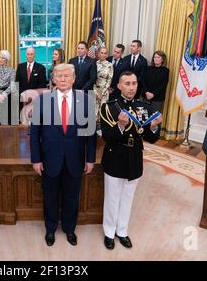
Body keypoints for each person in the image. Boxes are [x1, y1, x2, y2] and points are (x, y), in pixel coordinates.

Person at [30, 63, 96, 247]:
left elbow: (90, 133)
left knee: (71, 197)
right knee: (50, 197)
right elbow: (35, 133)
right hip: (50, 159)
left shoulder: (86, 100)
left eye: (67, 76)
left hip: (75, 159)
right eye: (59, 76)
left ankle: (69, 229)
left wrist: (90, 158)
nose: (63, 79)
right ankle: (50, 229)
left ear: (74, 78)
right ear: (54, 79)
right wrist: (36, 159)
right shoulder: (42, 101)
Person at [100, 71, 162, 250]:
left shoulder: (145, 107)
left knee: (128, 197)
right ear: (119, 86)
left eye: (134, 83)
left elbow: (151, 138)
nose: (131, 87)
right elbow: (107, 137)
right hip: (115, 156)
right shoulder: (110, 107)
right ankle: (109, 232)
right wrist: (120, 125)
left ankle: (122, 231)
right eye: (127, 83)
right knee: (112, 198)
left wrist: (155, 126)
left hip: (134, 156)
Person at [94, 47, 113, 129]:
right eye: (102, 53)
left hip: (104, 92)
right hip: (94, 90)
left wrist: (102, 93)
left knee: (102, 112)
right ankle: (93, 132)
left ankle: (101, 132)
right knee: (94, 112)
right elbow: (92, 79)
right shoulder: (94, 64)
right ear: (98, 54)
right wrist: (96, 93)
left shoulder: (109, 65)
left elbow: (109, 80)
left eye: (105, 53)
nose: (103, 54)